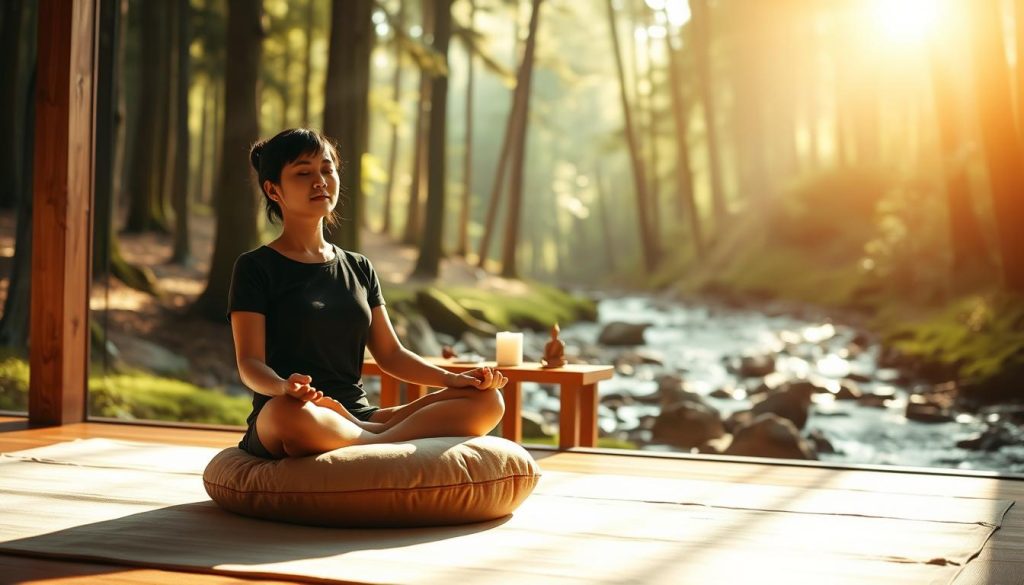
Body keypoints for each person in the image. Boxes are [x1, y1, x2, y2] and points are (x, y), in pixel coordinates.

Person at [229, 128, 507, 459]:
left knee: (487, 401)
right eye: (303, 172)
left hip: (359, 416)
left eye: (327, 168)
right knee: (287, 415)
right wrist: (284, 387)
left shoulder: (359, 267)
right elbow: (249, 364)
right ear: (273, 190)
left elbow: (391, 354)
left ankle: (368, 439)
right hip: (297, 412)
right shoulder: (255, 267)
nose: (320, 180)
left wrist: (452, 379)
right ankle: (382, 441)